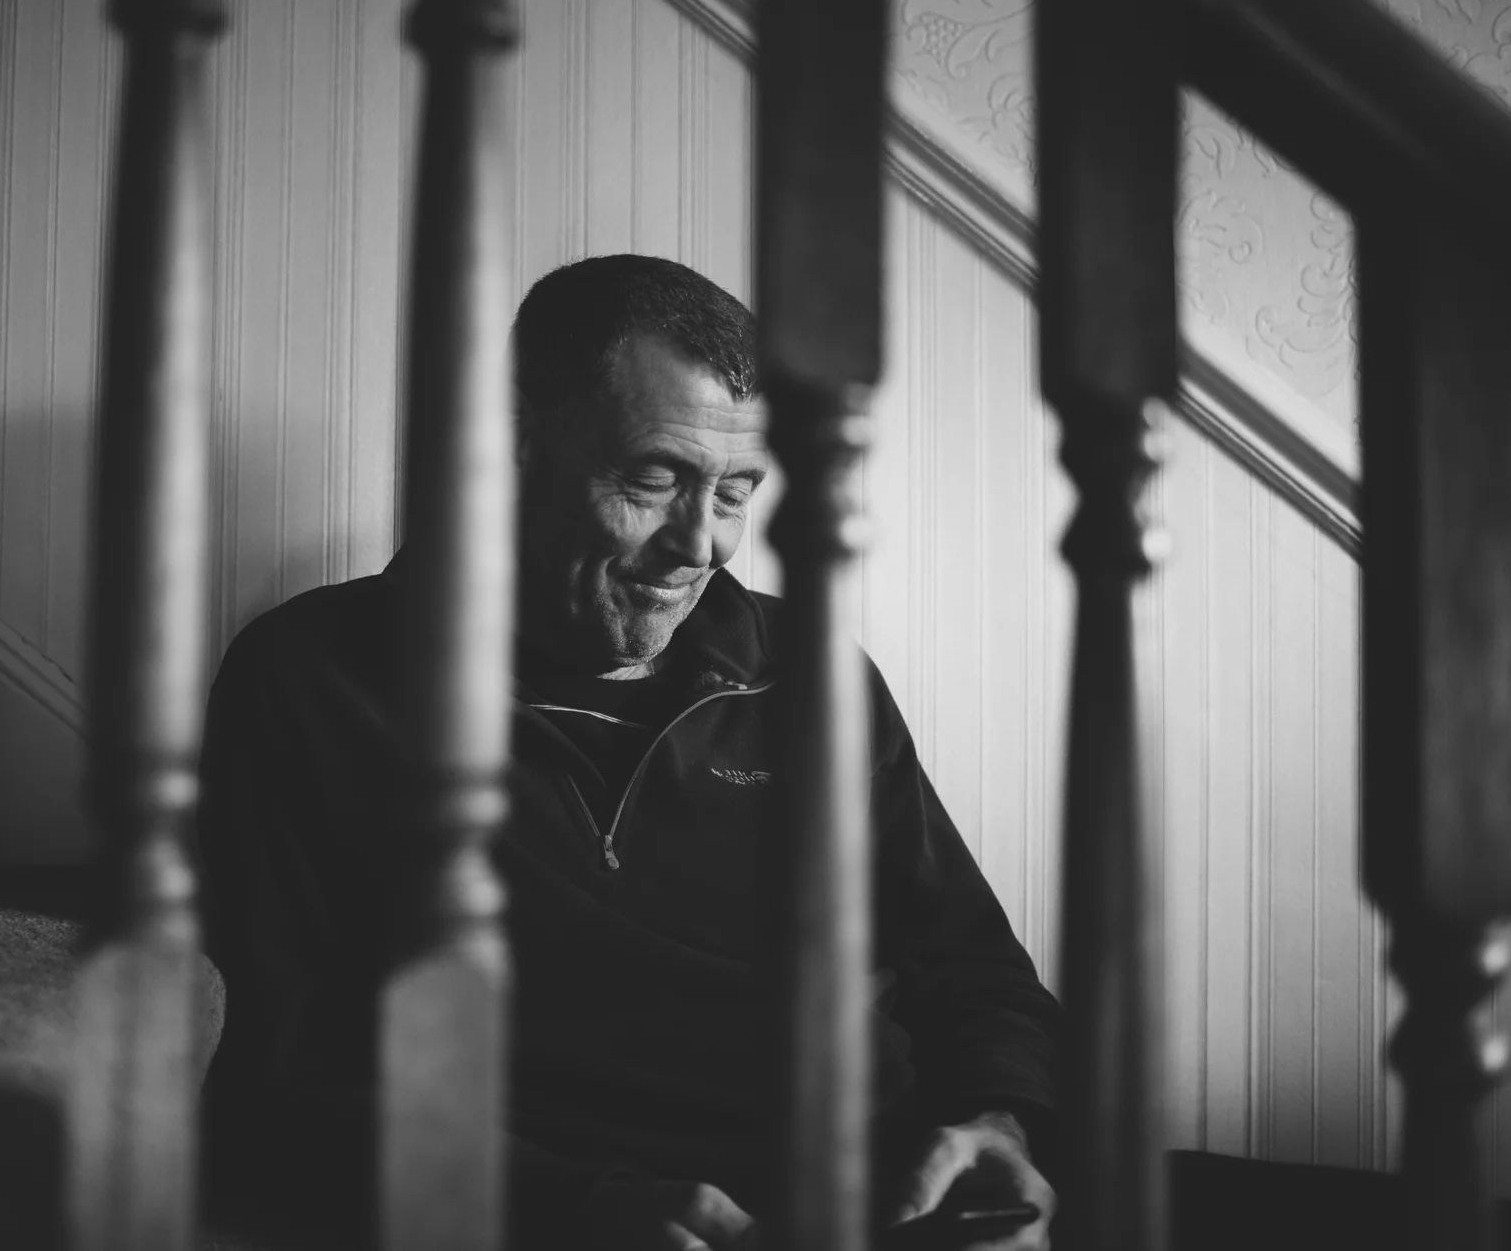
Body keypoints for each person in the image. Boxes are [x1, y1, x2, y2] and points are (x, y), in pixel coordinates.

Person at [198, 254, 1061, 1250]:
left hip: (886, 1198)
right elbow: (273, 1074)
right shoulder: (315, 682)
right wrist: (574, 1212)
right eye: (655, 478)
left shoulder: (809, 677)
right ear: (512, 446)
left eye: (736, 490)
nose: (702, 545)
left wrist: (996, 1129)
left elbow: (972, 969)